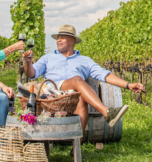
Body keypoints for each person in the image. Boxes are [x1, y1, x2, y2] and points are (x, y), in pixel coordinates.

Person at [22, 24, 143, 153]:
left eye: (62, 37)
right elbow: (32, 74)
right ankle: (107, 113)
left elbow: (104, 74)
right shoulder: (48, 58)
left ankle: (76, 149)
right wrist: (28, 62)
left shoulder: (85, 60)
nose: (58, 40)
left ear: (72, 40)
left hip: (72, 97)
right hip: (52, 94)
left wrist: (128, 85)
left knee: (80, 100)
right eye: (58, 38)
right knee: (77, 80)